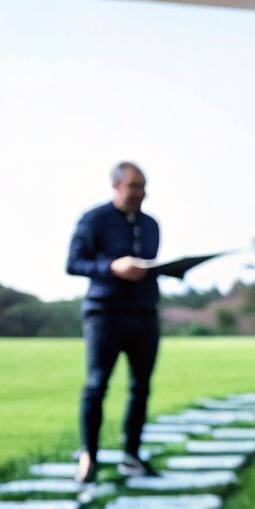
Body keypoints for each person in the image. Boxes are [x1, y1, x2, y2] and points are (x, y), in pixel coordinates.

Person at [66, 161, 162, 482]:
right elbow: (74, 263)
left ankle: (132, 456)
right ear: (116, 185)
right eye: (134, 186)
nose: (140, 193)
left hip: (144, 315)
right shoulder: (94, 220)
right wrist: (112, 267)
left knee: (141, 388)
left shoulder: (151, 225)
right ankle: (89, 456)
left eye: (143, 187)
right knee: (96, 386)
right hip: (105, 315)